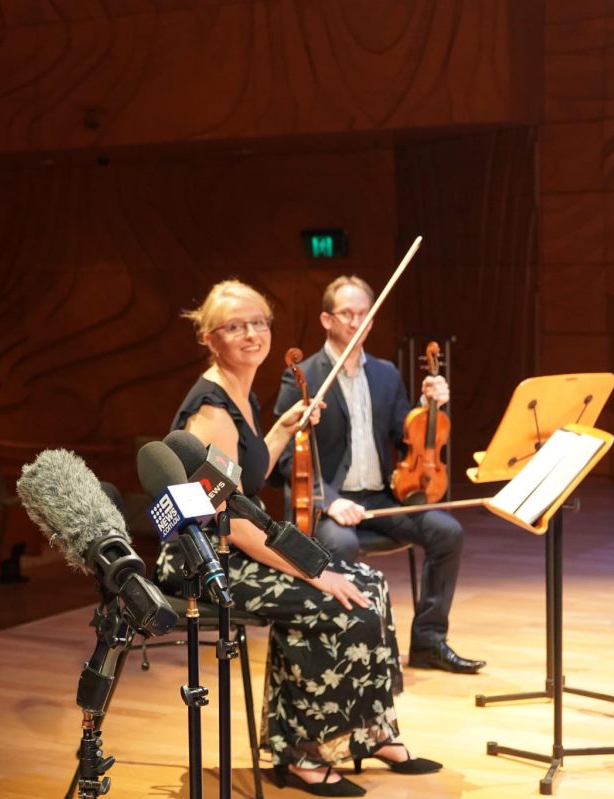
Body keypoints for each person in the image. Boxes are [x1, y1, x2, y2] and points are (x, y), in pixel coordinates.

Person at [155, 280, 440, 796]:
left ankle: (373, 731)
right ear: (209, 338)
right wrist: (313, 569)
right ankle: (303, 753)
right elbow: (233, 523)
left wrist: (286, 426)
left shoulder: (240, 391)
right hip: (204, 560)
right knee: (329, 600)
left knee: (369, 586)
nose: (251, 334)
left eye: (259, 323)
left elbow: (246, 476)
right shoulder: (213, 410)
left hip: (231, 544)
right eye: (235, 326)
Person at [273, 275, 483, 674]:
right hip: (328, 502)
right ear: (326, 320)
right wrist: (331, 501)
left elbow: (410, 440)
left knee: (447, 531)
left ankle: (429, 642)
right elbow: (286, 457)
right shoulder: (303, 376)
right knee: (340, 545)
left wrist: (430, 407)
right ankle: (345, 651)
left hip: (382, 498)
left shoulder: (385, 373)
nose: (356, 322)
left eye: (363, 314)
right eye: (346, 314)